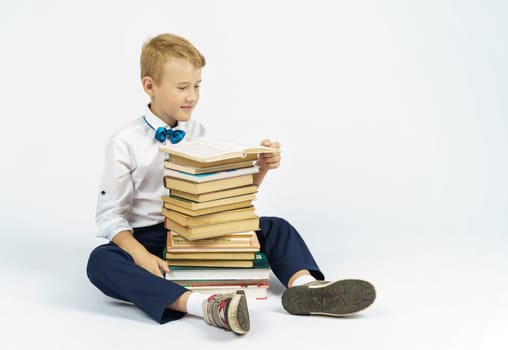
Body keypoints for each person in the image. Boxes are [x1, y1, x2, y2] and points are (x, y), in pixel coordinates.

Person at [86, 33, 376, 336]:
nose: (192, 96)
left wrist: (261, 170)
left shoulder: (198, 131)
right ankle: (206, 306)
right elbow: (109, 216)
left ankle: (306, 289)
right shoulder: (124, 142)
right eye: (182, 87)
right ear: (150, 86)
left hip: (201, 228)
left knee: (276, 227)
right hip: (153, 237)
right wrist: (141, 255)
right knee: (101, 261)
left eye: (197, 86)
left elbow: (224, 193)